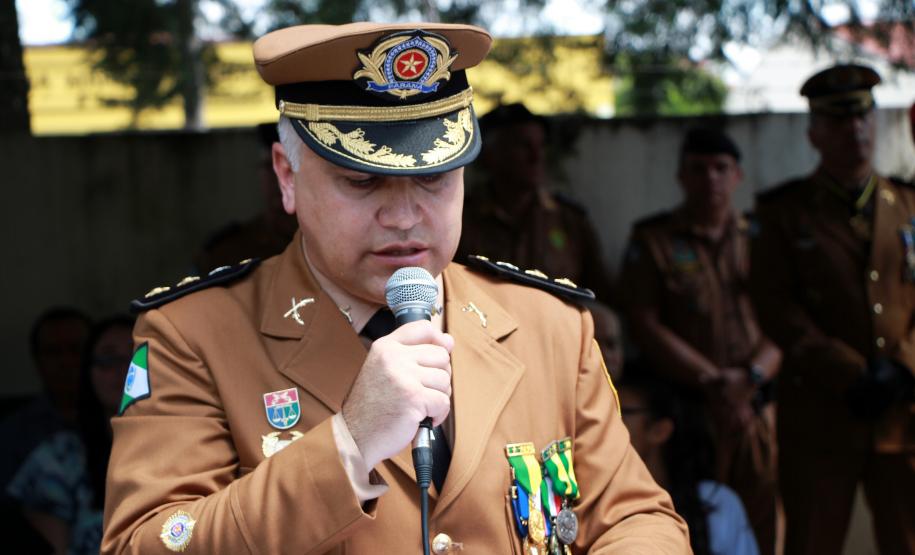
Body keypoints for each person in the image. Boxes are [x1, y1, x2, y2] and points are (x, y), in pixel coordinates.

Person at [101, 22, 689, 554]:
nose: (405, 215)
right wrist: (349, 443)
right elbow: (143, 544)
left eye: (433, 177)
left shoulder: (550, 325)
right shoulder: (193, 337)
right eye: (362, 182)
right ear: (287, 176)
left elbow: (637, 519)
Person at [750, 63, 915, 554]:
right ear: (814, 134)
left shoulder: (908, 205)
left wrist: (903, 365)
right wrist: (849, 372)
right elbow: (774, 305)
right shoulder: (783, 213)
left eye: (863, 118)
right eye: (839, 121)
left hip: (904, 414)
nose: (855, 131)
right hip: (822, 415)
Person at [618, 127, 782, 555]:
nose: (710, 178)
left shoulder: (763, 238)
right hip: (688, 408)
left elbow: (788, 320)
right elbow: (644, 323)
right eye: (699, 169)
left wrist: (750, 377)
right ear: (681, 176)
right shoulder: (654, 239)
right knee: (692, 514)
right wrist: (713, 380)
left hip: (756, 405)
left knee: (764, 514)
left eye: (721, 168)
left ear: (738, 177)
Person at [456, 102, 614, 302]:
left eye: (541, 146)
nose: (536, 157)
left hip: (557, 326)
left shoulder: (568, 219)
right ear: (491, 155)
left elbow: (602, 293)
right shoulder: (463, 218)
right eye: (523, 146)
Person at [7, 315, 134, 555]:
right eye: (108, 358)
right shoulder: (58, 459)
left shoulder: (193, 446)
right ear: (88, 372)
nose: (126, 368)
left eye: (138, 355)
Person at [618, 362, 759, 555]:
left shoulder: (716, 502)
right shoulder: (600, 504)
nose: (607, 420)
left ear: (660, 430)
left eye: (621, 412)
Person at [194, 122, 298, 273]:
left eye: (289, 169)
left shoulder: (327, 245)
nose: (278, 179)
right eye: (269, 167)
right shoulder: (228, 251)